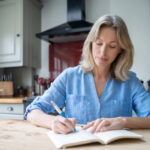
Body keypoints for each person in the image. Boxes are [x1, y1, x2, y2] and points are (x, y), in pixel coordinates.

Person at [25, 14, 150, 134]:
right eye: (99, 43)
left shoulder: (130, 81)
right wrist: (53, 122)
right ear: (90, 43)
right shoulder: (69, 77)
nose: (103, 52)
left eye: (112, 46)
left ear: (120, 50)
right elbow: (32, 111)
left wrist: (123, 121)